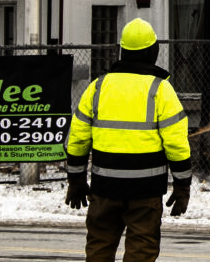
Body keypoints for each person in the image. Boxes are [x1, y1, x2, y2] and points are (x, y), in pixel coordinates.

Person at [65, 18, 192, 262]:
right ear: (153, 51)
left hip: (105, 189)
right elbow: (176, 144)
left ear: (122, 51)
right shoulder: (161, 90)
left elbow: (78, 139)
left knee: (99, 248)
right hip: (145, 192)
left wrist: (76, 179)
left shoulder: (98, 87)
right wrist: (182, 185)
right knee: (141, 251)